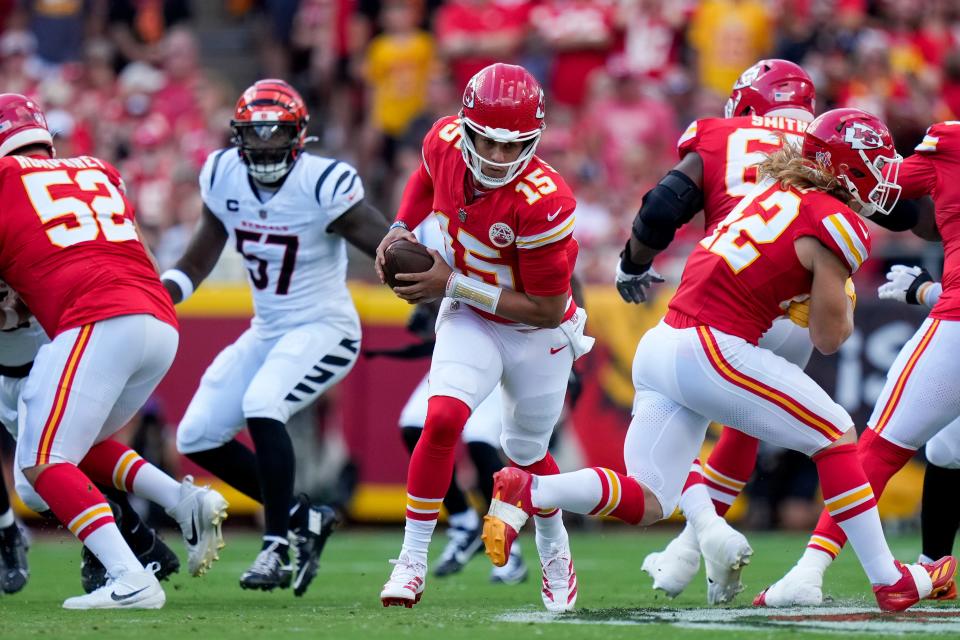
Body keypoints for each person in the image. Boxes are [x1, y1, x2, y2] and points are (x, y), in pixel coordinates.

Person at [483, 107, 958, 612]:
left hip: (663, 344)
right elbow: (828, 338)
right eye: (879, 162)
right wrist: (828, 300)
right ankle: (889, 580)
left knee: (651, 500)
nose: (888, 174)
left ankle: (529, 490)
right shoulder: (838, 221)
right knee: (837, 434)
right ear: (849, 168)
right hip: (711, 347)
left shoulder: (768, 190)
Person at [376, 62, 593, 611]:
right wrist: (402, 225)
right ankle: (410, 561)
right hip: (472, 317)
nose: (498, 157)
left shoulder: (546, 200)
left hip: (533, 329)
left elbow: (545, 308)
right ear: (465, 127)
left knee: (528, 455)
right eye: (487, 143)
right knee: (444, 416)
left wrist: (453, 282)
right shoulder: (444, 141)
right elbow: (425, 175)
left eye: (513, 146)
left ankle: (555, 551)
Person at [162, 79, 389, 595]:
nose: (264, 146)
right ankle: (302, 516)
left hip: (325, 329)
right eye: (255, 135)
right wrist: (159, 293)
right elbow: (199, 257)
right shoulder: (222, 174)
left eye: (275, 134)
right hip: (267, 330)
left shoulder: (323, 182)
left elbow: (383, 240)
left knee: (264, 402)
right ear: (238, 137)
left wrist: (423, 268)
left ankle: (276, 544)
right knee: (195, 435)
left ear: (299, 136)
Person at [0, 93, 225, 610]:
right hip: (157, 321)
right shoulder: (98, 169)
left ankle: (131, 576)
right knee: (76, 445)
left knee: (40, 462)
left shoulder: (7, 180)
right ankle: (182, 500)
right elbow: (135, 251)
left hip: (96, 319)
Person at [617, 58, 818, 604]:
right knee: (745, 424)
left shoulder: (718, 133)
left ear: (748, 102)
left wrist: (633, 263)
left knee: (677, 406)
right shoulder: (825, 142)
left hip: (727, 303)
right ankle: (687, 555)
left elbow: (661, 208)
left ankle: (700, 538)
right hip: (800, 312)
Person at [757, 121, 960, 606]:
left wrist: (818, 168)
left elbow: (879, 189)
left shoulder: (950, 141)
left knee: (876, 449)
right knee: (949, 449)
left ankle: (809, 571)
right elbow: (906, 205)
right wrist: (929, 290)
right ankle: (935, 568)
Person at [0, 292, 192, 595]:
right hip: (8, 374)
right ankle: (156, 524)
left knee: (37, 481)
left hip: (43, 366)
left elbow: (34, 302)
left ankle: (139, 540)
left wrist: (9, 316)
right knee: (60, 462)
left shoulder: (20, 248)